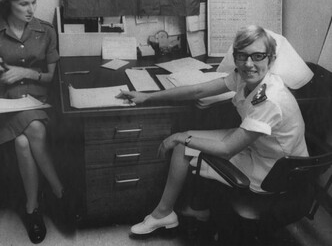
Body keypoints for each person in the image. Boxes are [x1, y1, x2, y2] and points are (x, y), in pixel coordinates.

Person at [117, 25, 309, 235]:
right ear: (235, 58)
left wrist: (180, 136)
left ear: (270, 59)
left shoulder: (270, 99)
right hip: (261, 150)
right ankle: (174, 212)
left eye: (257, 56)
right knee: (185, 144)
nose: (248, 64)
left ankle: (174, 212)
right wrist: (147, 96)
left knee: (184, 142)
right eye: (242, 56)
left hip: (275, 172)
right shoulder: (245, 77)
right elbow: (198, 90)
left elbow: (227, 149)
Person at [0, 0, 70, 243]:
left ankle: (32, 208)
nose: (31, 9)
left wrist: (26, 72)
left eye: (34, 2)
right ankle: (59, 193)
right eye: (23, 3)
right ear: (6, 3)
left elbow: (52, 78)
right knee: (24, 139)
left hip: (38, 102)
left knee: (29, 134)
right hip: (2, 104)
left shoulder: (46, 31)